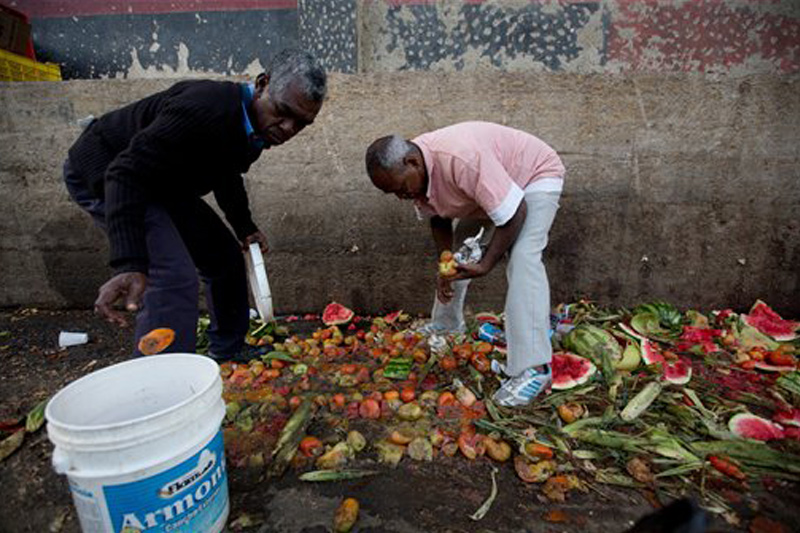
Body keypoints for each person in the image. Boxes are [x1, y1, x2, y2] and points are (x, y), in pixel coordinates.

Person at [64, 49, 326, 360]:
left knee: (224, 257)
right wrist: (129, 262)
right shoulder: (205, 107)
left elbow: (226, 173)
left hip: (163, 182)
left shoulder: (255, 129)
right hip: (108, 171)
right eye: (283, 111)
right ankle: (161, 380)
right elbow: (124, 172)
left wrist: (244, 226)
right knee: (173, 274)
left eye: (301, 124)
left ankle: (227, 351)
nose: (287, 129)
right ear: (262, 83)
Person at [365, 122, 564, 407]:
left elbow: (515, 212)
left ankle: (534, 369)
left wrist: (486, 265)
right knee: (459, 254)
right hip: (493, 188)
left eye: (399, 188)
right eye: (392, 193)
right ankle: (446, 325)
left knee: (522, 256)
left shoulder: (461, 158)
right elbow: (439, 216)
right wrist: (444, 265)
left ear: (412, 162)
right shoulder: (417, 168)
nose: (400, 196)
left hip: (533, 175)